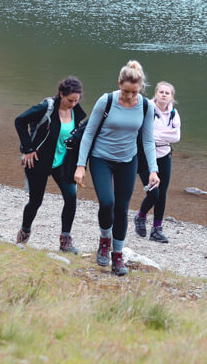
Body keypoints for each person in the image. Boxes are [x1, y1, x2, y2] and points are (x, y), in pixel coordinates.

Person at [74, 60, 159, 277]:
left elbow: (148, 140)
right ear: (119, 83)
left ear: (140, 88)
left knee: (122, 208)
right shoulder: (107, 100)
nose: (129, 96)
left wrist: (153, 170)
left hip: (127, 161)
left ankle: (118, 255)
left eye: (133, 92)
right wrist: (81, 166)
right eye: (125, 91)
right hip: (101, 158)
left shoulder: (147, 106)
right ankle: (105, 239)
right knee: (107, 202)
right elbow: (89, 133)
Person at [15, 76, 87, 254]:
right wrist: (28, 148)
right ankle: (23, 235)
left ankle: (65, 242)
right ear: (61, 94)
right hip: (39, 162)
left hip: (63, 162)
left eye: (76, 101)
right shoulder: (46, 108)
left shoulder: (76, 112)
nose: (73, 104)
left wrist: (80, 163)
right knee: (36, 201)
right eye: (70, 100)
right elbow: (20, 121)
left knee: (71, 198)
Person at [134, 81, 181, 243]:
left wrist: (155, 135)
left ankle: (157, 229)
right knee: (154, 193)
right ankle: (140, 217)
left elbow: (176, 137)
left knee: (163, 194)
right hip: (145, 155)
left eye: (167, 93)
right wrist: (158, 135)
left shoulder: (174, 113)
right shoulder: (146, 108)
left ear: (171, 97)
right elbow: (144, 134)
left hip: (164, 155)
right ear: (155, 94)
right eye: (161, 92)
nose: (163, 95)